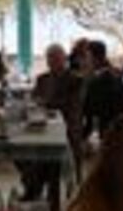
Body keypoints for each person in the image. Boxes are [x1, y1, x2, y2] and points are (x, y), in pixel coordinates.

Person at [28, 43, 85, 194]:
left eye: (56, 58)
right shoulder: (42, 79)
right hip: (41, 125)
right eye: (49, 58)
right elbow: (34, 100)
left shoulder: (76, 80)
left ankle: (44, 186)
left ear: (64, 59)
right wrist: (36, 104)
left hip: (67, 126)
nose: (52, 62)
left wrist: (46, 104)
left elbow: (72, 106)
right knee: (24, 151)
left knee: (48, 151)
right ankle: (33, 186)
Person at [82, 40, 123, 139]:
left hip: (105, 133)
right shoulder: (115, 75)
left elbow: (89, 112)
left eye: (87, 57)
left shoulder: (97, 82)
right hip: (119, 129)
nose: (85, 61)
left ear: (95, 59)